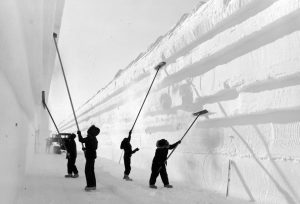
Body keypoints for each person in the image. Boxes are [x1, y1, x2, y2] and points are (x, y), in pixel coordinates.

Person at [77, 125, 100, 191]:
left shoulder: (90, 137)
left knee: (88, 171)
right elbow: (93, 147)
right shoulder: (94, 138)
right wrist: (86, 148)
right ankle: (93, 185)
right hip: (92, 155)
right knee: (91, 170)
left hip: (90, 156)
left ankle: (90, 185)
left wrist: (79, 134)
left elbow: (81, 140)